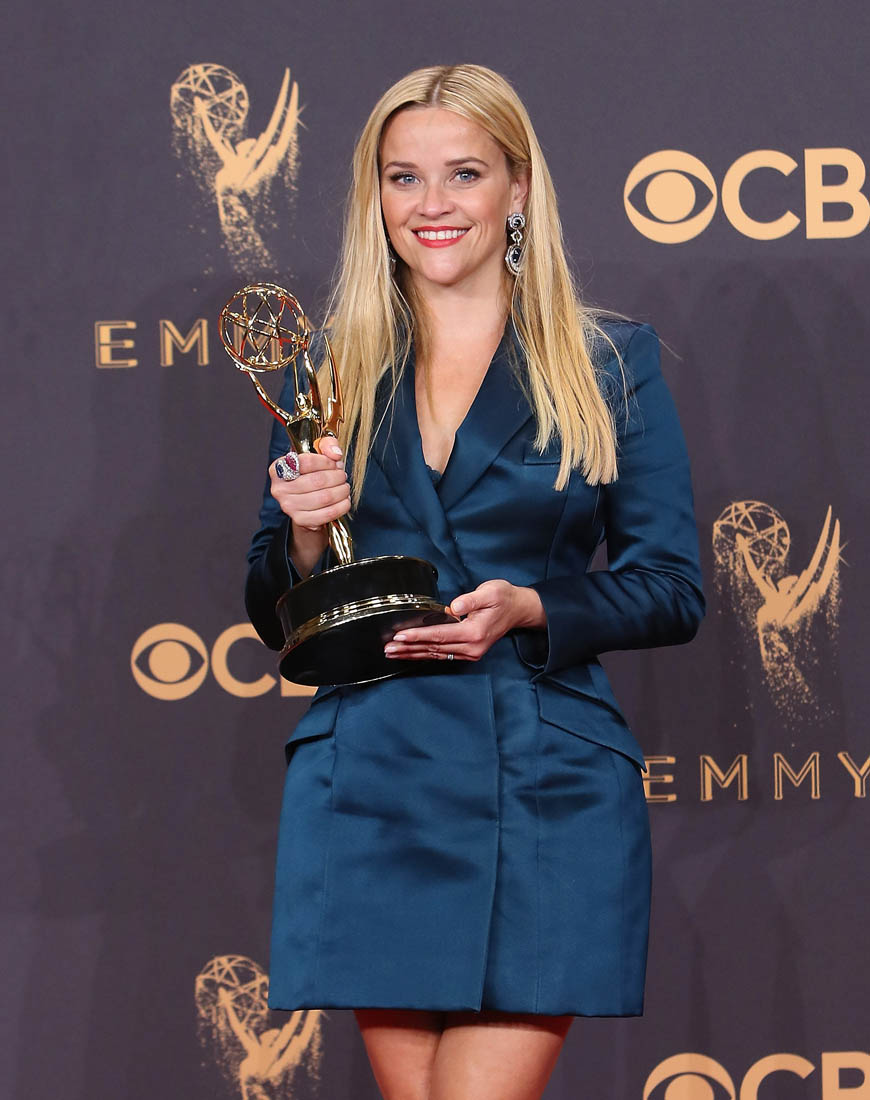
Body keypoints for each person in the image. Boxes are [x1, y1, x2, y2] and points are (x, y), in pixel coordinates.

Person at [245, 63, 704, 1100]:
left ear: (518, 187)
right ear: (375, 196)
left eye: (464, 172)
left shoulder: (607, 360)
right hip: (373, 776)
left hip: (543, 775)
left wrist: (533, 605)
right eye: (403, 177)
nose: (433, 204)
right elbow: (270, 603)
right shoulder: (326, 368)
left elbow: (672, 586)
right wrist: (306, 536)